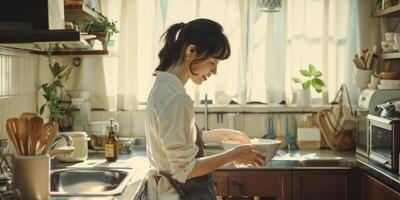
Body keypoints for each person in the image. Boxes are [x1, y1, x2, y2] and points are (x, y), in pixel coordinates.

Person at [145, 18, 266, 200]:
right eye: (213, 62)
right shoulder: (177, 98)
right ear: (191, 51)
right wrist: (233, 155)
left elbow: (172, 140)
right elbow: (183, 170)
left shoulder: (164, 86)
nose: (215, 71)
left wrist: (221, 134)